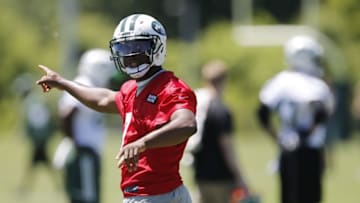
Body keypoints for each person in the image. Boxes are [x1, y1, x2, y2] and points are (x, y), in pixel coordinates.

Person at [36, 14, 197, 203]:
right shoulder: (131, 89)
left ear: (158, 47)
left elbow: (187, 123)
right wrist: (62, 83)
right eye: (124, 49)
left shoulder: (171, 87)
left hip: (154, 195)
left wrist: (143, 143)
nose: (130, 57)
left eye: (138, 48)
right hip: (151, 193)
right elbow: (103, 99)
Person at [256, 35, 335, 203]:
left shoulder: (280, 81)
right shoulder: (318, 85)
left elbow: (262, 113)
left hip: (288, 149)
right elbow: (325, 112)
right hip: (312, 150)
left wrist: (277, 139)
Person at [53, 49, 116, 203]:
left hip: (87, 153)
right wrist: (74, 144)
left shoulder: (91, 85)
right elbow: (66, 114)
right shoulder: (84, 84)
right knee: (87, 200)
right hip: (83, 154)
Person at [186, 60, 249, 203]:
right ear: (224, 81)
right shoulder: (222, 110)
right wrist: (239, 177)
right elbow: (228, 149)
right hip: (221, 177)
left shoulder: (199, 105)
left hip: (200, 175)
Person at [12, 73, 59, 194]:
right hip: (42, 138)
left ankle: (24, 188)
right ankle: (58, 186)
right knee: (39, 164)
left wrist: (29, 134)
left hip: (39, 140)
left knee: (34, 164)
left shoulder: (30, 103)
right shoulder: (37, 100)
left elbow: (35, 121)